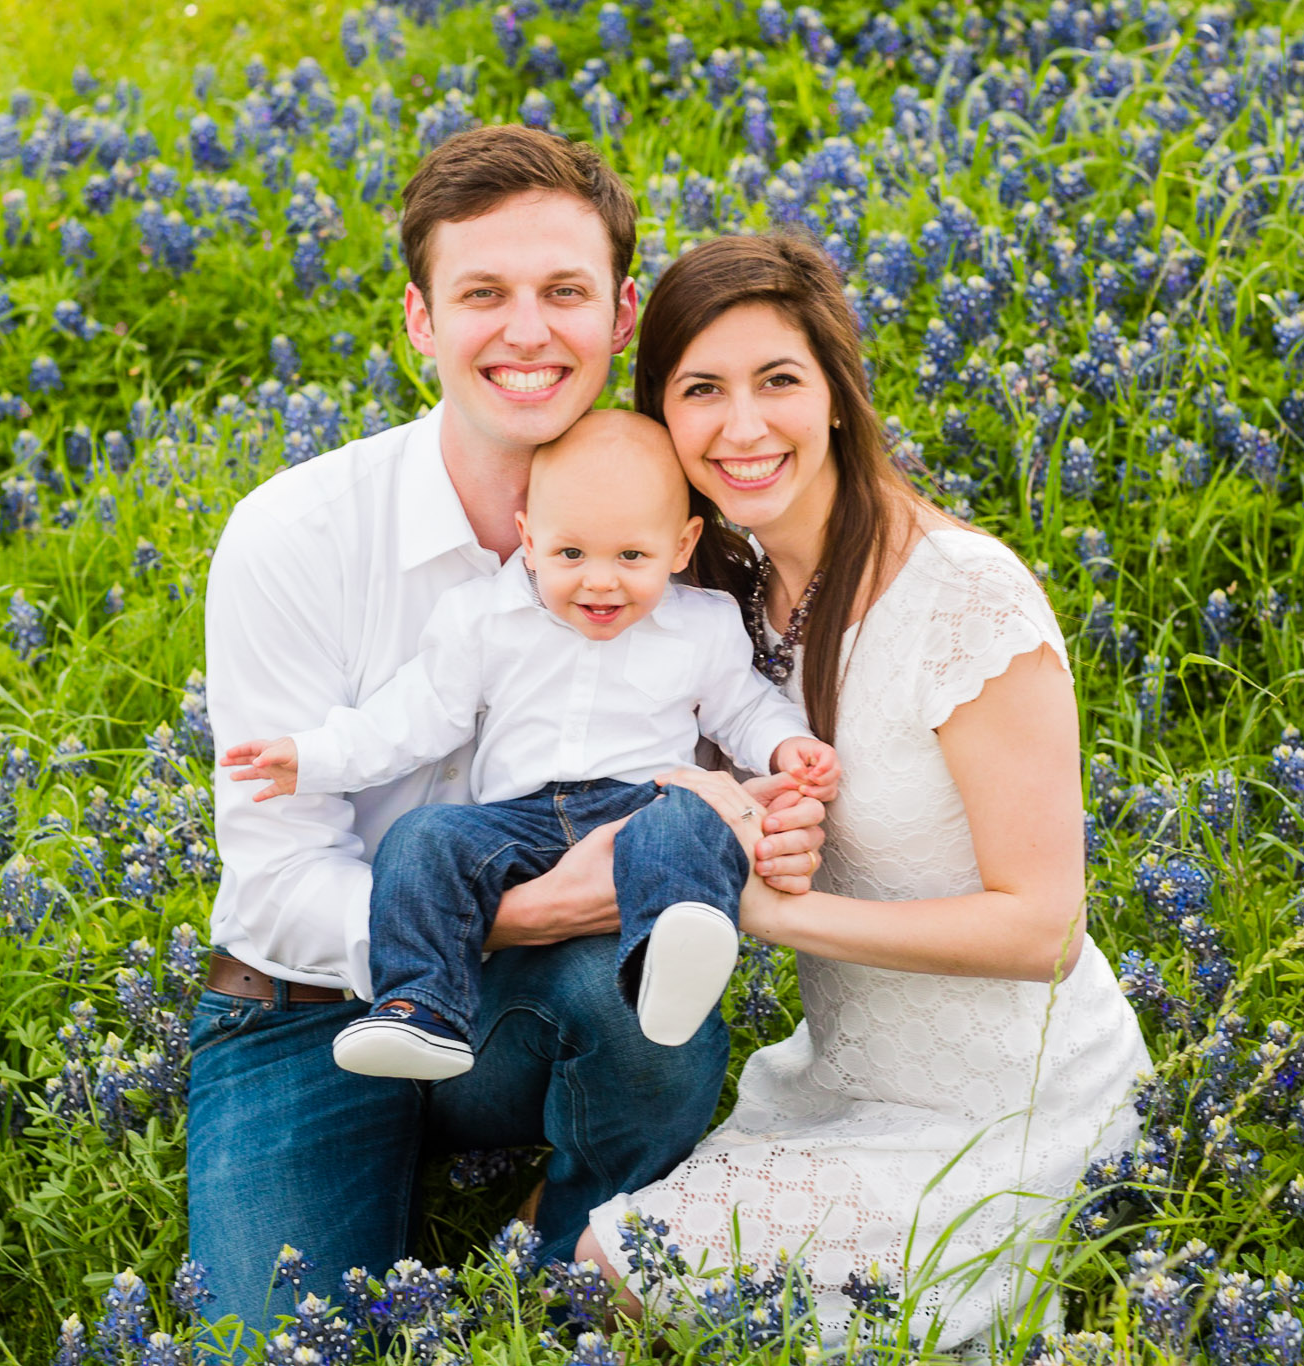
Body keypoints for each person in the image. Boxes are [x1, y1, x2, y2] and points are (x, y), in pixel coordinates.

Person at [189, 127, 830, 1353]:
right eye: (482, 293)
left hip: (538, 1004)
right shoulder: (293, 534)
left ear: (621, 312)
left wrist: (773, 800)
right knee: (274, 1346)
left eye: (563, 293)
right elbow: (273, 887)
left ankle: (563, 1257)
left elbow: (750, 732)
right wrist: (523, 910)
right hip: (303, 1004)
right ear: (421, 320)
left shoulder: (694, 530)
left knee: (638, 994)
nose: (526, 332)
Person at [571, 232, 1156, 1353]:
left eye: (777, 380)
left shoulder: (964, 599)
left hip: (1014, 1110)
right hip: (837, 1077)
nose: (742, 427)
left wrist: (764, 912)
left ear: (836, 392)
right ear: (663, 418)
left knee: (614, 1268)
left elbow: (1042, 926)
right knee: (571, 1255)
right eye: (701, 389)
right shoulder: (724, 603)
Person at [220, 410, 841, 1079]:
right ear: (529, 538)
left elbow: (743, 710)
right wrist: (313, 757)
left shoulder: (704, 627)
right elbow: (410, 718)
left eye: (632, 556)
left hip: (640, 806)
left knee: (690, 822)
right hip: (519, 822)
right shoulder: (483, 620)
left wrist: (787, 746)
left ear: (683, 545)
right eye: (570, 554)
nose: (599, 581)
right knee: (422, 837)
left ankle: (667, 959)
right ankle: (420, 1007)